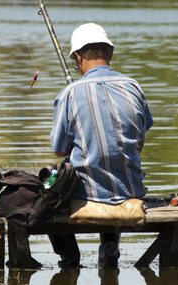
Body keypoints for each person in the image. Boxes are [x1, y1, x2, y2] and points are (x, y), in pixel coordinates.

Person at [49, 23, 154, 268]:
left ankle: (69, 259)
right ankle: (110, 253)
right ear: (110, 53)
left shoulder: (69, 93)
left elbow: (59, 150)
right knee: (112, 170)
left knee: (50, 185)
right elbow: (139, 144)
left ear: (77, 57)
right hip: (131, 191)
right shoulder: (134, 87)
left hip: (86, 194)